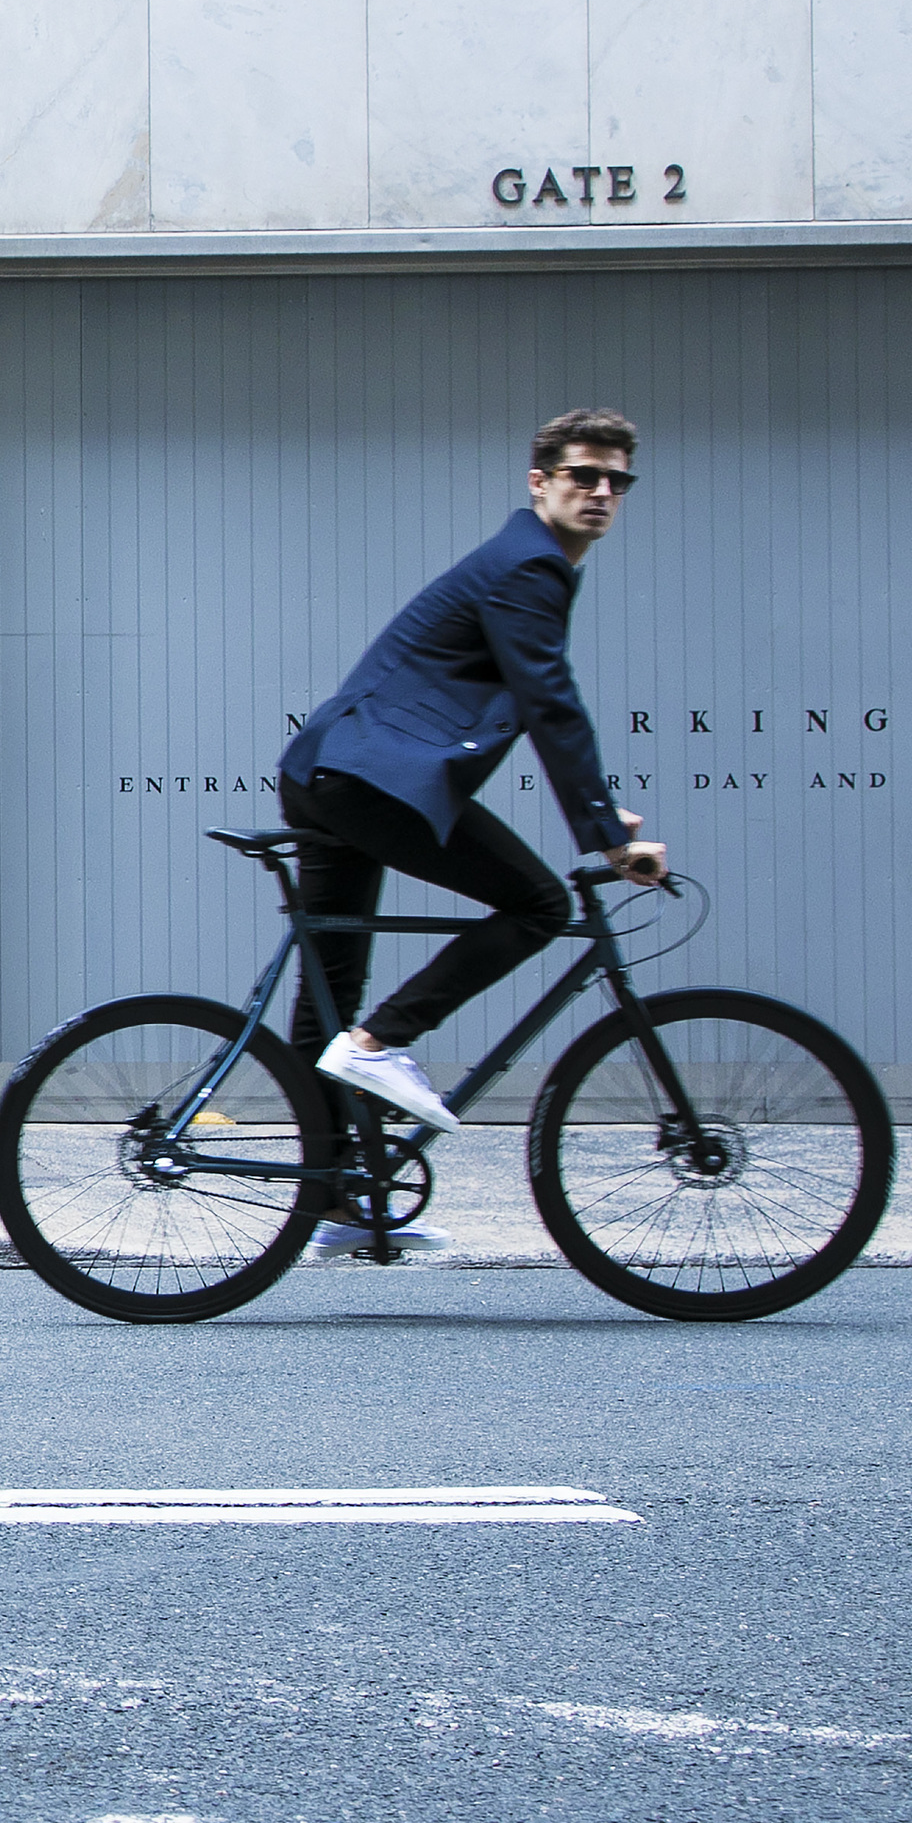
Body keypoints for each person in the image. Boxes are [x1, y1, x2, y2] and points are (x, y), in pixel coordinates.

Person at [276, 407, 668, 1241]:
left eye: (616, 481)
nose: (601, 492)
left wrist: (603, 809)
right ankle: (382, 1043)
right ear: (539, 483)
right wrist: (602, 831)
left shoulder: (526, 562)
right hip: (362, 781)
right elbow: (549, 704)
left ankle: (331, 1200)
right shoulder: (529, 566)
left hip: (337, 772)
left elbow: (528, 706)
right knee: (539, 905)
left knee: (326, 996)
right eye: (581, 476)